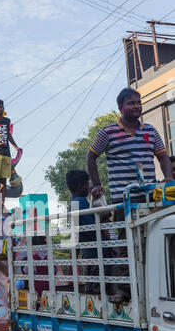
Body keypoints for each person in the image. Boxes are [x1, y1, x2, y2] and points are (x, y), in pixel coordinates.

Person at [86, 87, 173, 303]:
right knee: (125, 245)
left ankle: (157, 287)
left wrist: (169, 178)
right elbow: (91, 157)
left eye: (138, 102)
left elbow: (163, 157)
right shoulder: (107, 132)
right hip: (123, 199)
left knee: (155, 240)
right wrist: (97, 184)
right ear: (121, 107)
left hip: (150, 196)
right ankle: (123, 290)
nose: (136, 106)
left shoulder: (150, 131)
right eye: (131, 103)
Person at [66, 169, 112, 295]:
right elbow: (90, 227)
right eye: (87, 184)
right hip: (97, 253)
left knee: (92, 286)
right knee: (100, 289)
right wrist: (102, 216)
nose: (88, 187)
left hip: (89, 253)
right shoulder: (81, 202)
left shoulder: (75, 202)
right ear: (80, 186)